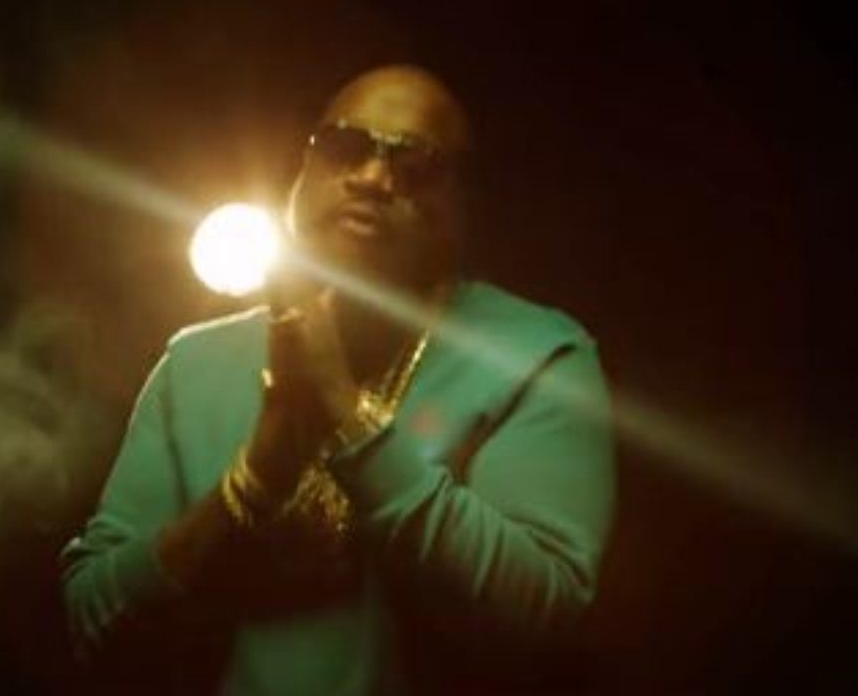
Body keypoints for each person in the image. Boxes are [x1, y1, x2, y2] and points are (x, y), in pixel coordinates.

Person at [61, 64, 615, 694]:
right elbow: (92, 618)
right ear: (302, 173)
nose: (373, 177)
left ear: (459, 207)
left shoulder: (534, 356)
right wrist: (254, 481)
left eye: (415, 163)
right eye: (345, 146)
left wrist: (346, 416)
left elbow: (542, 613)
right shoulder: (195, 362)